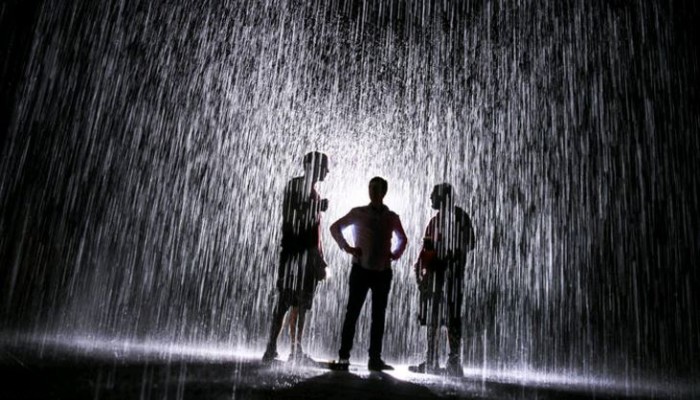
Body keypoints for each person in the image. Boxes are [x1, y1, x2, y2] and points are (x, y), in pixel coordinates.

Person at [329, 177, 408, 371]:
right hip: (361, 270)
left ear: (384, 192)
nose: (372, 191)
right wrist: (347, 247)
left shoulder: (391, 216)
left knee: (378, 316)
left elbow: (403, 239)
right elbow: (335, 227)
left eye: (376, 188)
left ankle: (374, 359)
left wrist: (395, 254)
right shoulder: (359, 212)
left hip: (382, 272)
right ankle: (344, 357)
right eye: (371, 188)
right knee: (352, 313)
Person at [262, 152, 330, 364]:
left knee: (301, 303)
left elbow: (314, 231)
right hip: (294, 252)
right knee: (286, 300)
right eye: (324, 167)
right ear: (312, 166)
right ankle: (273, 347)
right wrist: (315, 207)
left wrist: (320, 256)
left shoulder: (313, 193)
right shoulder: (296, 186)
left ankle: (294, 349)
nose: (327, 171)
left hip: (307, 255)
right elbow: (293, 218)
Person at [409, 183, 475, 377]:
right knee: (434, 317)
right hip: (436, 275)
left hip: (453, 274)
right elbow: (426, 249)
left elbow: (470, 242)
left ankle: (454, 362)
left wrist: (453, 254)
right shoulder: (435, 220)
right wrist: (422, 271)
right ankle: (432, 360)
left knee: (452, 317)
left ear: (443, 197)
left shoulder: (460, 216)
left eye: (433, 195)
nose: (430, 198)